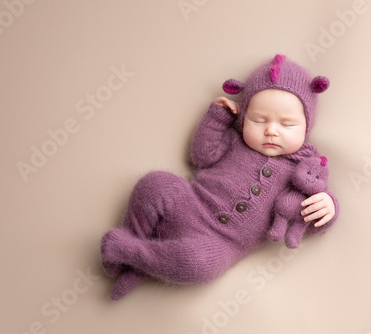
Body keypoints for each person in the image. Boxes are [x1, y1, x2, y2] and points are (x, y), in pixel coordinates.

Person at [101, 54, 339, 300]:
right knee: (154, 183)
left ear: (306, 127)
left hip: (220, 242)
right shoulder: (236, 140)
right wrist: (217, 119)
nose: (271, 130)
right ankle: (132, 240)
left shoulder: (306, 169)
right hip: (190, 204)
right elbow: (201, 156)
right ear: (244, 117)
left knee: (198, 265)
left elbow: (306, 216)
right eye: (258, 120)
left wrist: (328, 206)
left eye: (287, 124)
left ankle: (131, 253)